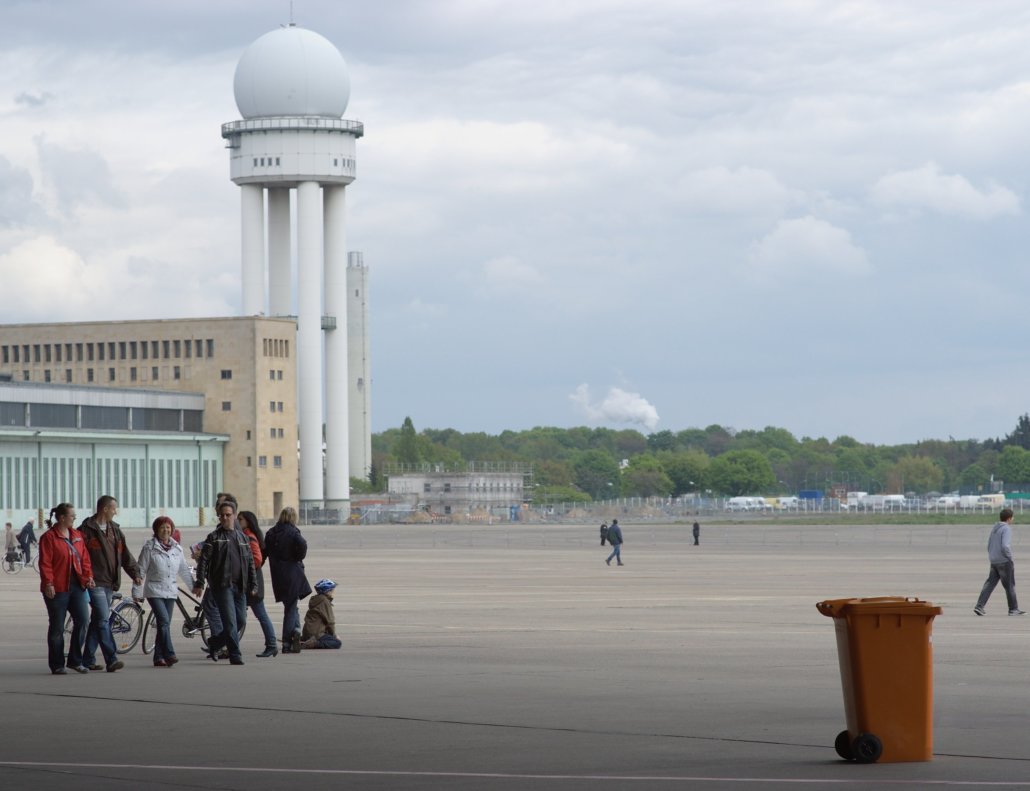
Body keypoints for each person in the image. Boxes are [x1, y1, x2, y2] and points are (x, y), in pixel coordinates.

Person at [79, 495, 141, 672]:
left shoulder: (115, 530)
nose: (116, 512)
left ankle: (87, 660)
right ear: (105, 509)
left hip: (110, 583)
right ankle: (111, 659)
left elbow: (125, 555)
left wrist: (135, 573)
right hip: (94, 582)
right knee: (103, 620)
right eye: (114, 508)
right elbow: (79, 556)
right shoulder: (85, 530)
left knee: (97, 620)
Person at [192, 499, 257, 665]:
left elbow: (250, 563)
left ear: (234, 515)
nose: (225, 518)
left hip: (239, 586)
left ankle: (215, 643)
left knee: (240, 620)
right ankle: (235, 654)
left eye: (228, 515)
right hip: (222, 586)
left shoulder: (243, 538)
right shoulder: (214, 537)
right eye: (222, 515)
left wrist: (253, 584)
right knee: (229, 623)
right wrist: (199, 582)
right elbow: (204, 561)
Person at [38, 503, 95, 674]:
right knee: (57, 627)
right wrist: (48, 583)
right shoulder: (49, 537)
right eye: (72, 515)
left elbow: (84, 559)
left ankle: (75, 660)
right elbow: (45, 563)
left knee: (83, 620)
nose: (74, 518)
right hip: (57, 589)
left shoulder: (77, 535)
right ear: (62, 517)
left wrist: (89, 577)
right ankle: (57, 664)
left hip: (77, 587)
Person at [133, 516, 195, 667]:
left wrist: (194, 587)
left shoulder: (177, 549)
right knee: (164, 621)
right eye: (162, 528)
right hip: (154, 590)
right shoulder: (149, 548)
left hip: (170, 591)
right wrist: (137, 592)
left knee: (163, 624)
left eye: (168, 527)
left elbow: (184, 570)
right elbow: (140, 571)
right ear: (156, 530)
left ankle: (158, 657)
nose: (166, 530)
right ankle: (169, 653)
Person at [264, 506, 312, 653]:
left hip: (278, 574)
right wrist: (298, 557)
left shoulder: (271, 533)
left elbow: (264, 551)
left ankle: (295, 632)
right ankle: (287, 642)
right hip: (292, 573)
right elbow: (303, 545)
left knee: (292, 605)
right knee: (290, 608)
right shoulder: (293, 532)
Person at [238, 509, 279, 658]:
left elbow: (257, 560)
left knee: (258, 614)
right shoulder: (245, 536)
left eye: (240, 519)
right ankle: (229, 645)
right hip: (250, 582)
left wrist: (243, 568)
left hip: (251, 584)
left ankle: (272, 644)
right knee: (240, 616)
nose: (238, 521)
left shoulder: (249, 537)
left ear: (248, 521)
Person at [974, 508, 1025, 616]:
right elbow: (1005, 545)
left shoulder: (995, 528)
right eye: (1012, 517)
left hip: (994, 561)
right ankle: (1013, 609)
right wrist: (1010, 557)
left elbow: (989, 545)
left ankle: (979, 606)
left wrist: (992, 556)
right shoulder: (1006, 529)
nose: (1013, 519)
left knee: (989, 584)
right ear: (1009, 518)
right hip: (1004, 561)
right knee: (1010, 585)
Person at [300, 578, 342, 649]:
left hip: (307, 632)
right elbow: (330, 621)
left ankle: (303, 640)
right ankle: (314, 643)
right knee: (337, 643)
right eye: (332, 590)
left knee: (328, 637)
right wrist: (334, 635)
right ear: (327, 591)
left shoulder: (316, 600)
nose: (333, 592)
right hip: (316, 634)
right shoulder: (324, 602)